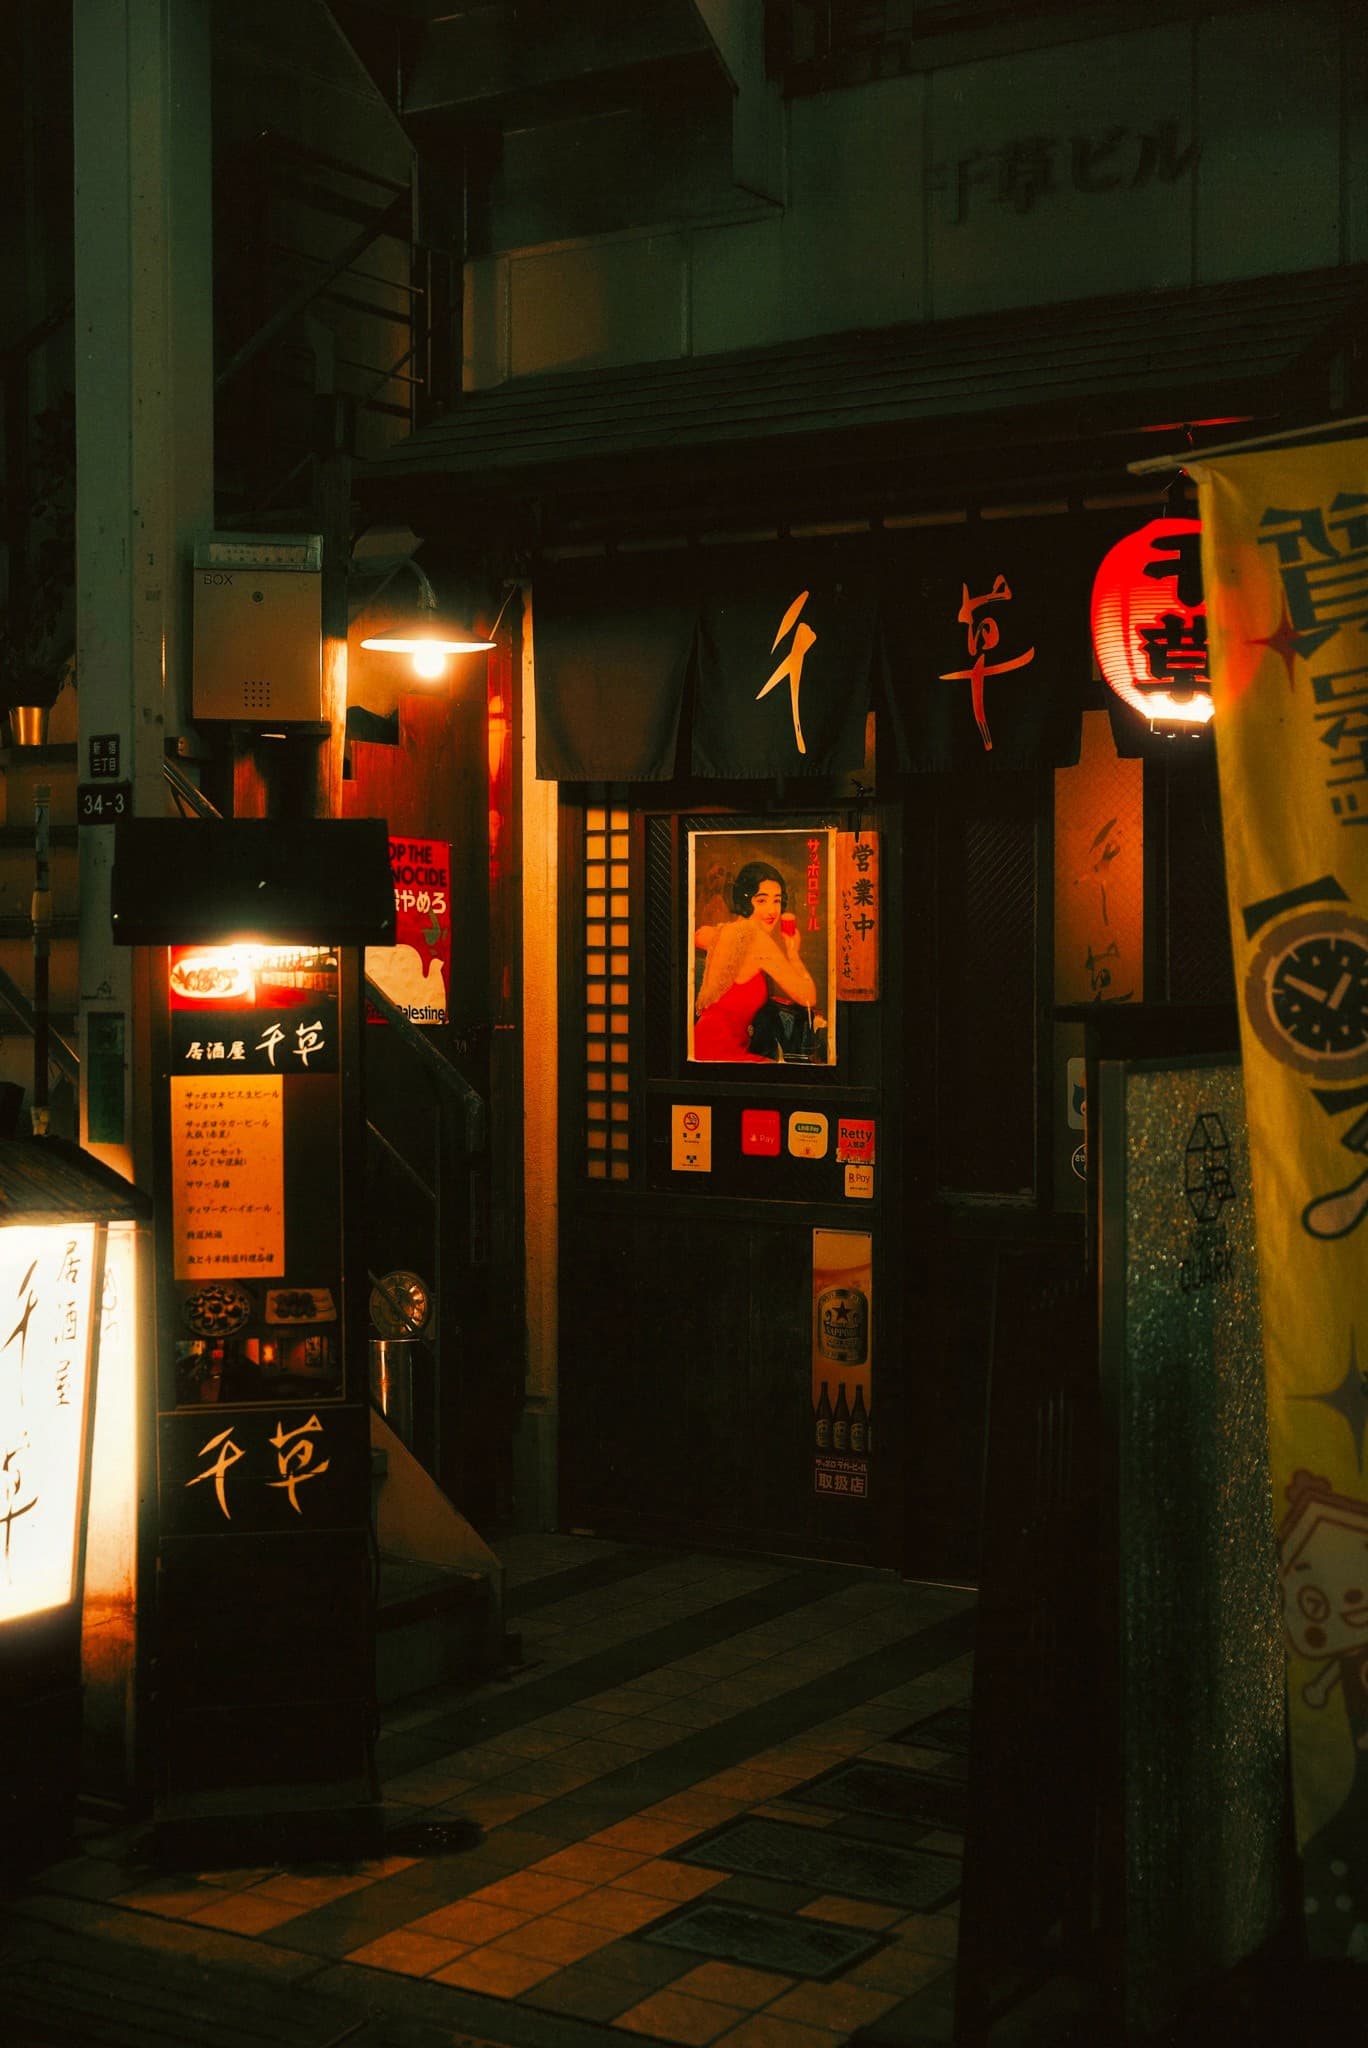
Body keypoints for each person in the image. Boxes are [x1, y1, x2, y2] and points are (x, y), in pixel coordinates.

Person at [693, 861, 816, 1061]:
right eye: (761, 900)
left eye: (776, 901)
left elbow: (699, 936)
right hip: (720, 1051)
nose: (771, 911)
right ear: (746, 899)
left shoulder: (722, 931)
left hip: (700, 1042)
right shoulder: (759, 941)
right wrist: (793, 953)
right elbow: (808, 996)